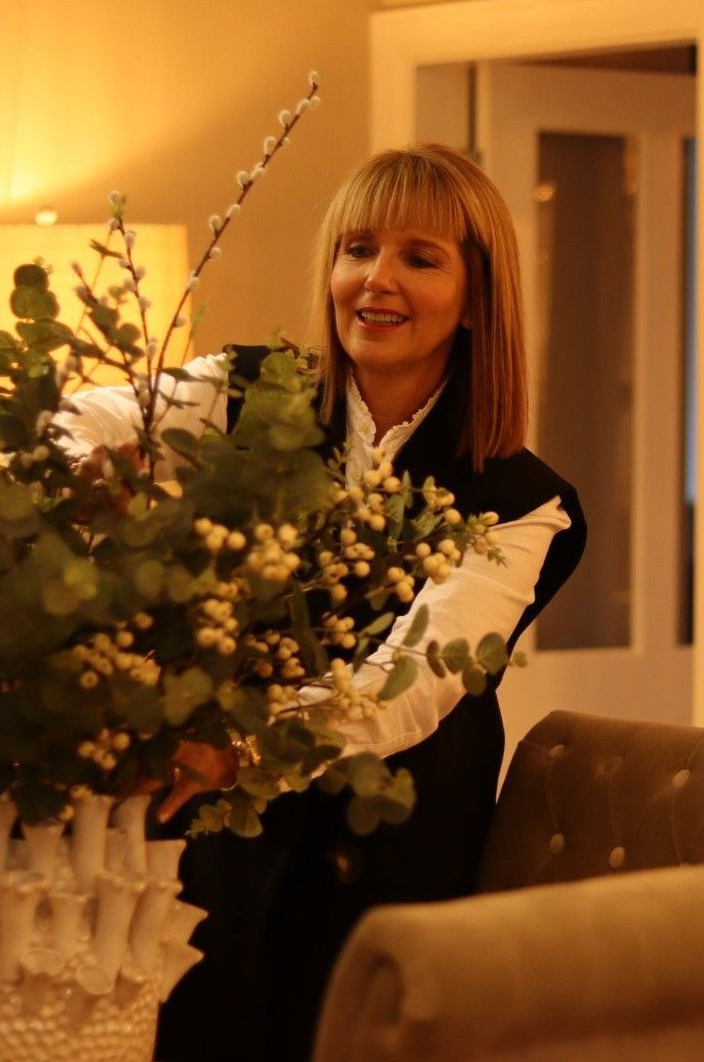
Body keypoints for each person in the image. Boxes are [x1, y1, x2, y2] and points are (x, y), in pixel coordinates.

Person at [55, 143, 587, 1059]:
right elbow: (80, 418)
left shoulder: (522, 499)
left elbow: (410, 686)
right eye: (357, 249)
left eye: (420, 259)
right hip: (226, 846)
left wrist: (241, 747)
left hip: (385, 865)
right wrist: (92, 474)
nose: (376, 280)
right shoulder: (253, 394)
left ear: (476, 299)